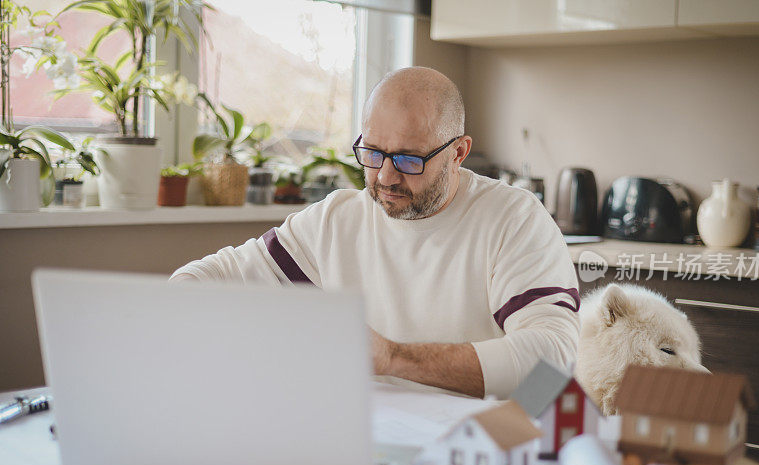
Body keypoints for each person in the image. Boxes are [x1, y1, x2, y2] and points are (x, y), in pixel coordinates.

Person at [170, 67, 579, 400]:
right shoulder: (337, 219)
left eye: (407, 158)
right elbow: (207, 278)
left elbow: (553, 362)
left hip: (476, 445)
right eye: (373, 153)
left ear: (458, 152)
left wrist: (392, 358)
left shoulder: (514, 219)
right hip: (361, 436)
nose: (385, 176)